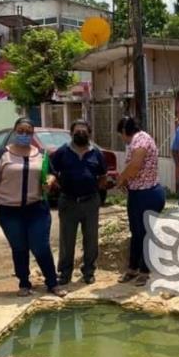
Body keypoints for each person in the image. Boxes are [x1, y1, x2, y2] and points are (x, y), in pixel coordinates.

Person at [0, 117, 66, 297]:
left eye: (28, 132)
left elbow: (52, 174)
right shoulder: (2, 155)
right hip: (8, 211)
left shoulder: (41, 154)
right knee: (19, 247)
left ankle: (52, 283)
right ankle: (24, 283)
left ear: (32, 134)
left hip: (36, 208)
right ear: (14, 132)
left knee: (40, 246)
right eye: (20, 131)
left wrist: (50, 181)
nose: (24, 135)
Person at [48, 119, 107, 286]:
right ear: (71, 134)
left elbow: (103, 176)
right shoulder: (62, 152)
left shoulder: (96, 153)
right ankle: (65, 273)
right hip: (68, 201)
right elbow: (52, 172)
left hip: (90, 201)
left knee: (91, 238)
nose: (80, 134)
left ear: (89, 134)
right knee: (67, 239)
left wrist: (97, 191)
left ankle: (89, 271)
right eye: (77, 132)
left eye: (84, 132)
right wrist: (59, 187)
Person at [115, 116, 166, 287]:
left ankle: (145, 271)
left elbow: (135, 165)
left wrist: (122, 179)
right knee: (136, 233)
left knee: (145, 234)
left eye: (121, 135)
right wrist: (127, 181)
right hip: (138, 193)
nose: (122, 139)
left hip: (148, 194)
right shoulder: (139, 140)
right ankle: (133, 268)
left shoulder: (140, 140)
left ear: (124, 131)